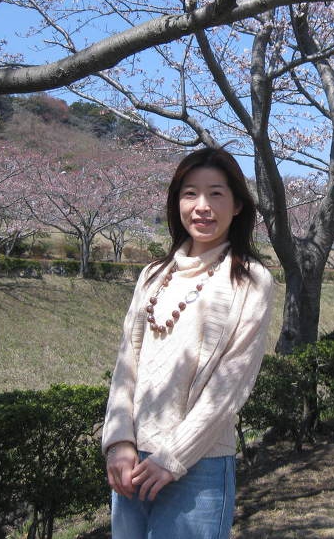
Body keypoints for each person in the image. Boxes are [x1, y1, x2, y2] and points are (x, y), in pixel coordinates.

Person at [101, 147, 276, 539]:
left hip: (199, 464)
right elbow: (126, 365)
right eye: (190, 193)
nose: (202, 206)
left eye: (216, 193)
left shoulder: (250, 280)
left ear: (237, 206)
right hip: (133, 462)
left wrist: (173, 456)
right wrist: (118, 441)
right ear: (176, 203)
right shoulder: (152, 275)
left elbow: (230, 386)